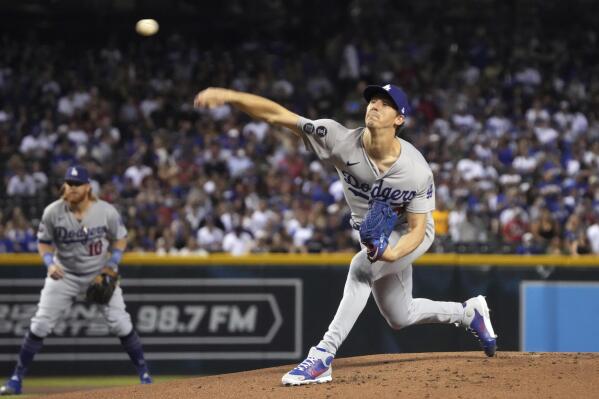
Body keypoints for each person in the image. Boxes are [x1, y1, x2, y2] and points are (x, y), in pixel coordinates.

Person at [193, 84, 497, 386]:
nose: (375, 106)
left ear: (399, 120)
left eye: (385, 104)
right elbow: (277, 116)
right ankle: (468, 312)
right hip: (375, 235)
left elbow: (418, 228)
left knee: (361, 268)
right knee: (400, 315)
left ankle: (323, 355)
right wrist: (231, 96)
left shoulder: (416, 170)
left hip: (407, 233)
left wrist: (391, 253)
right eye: (373, 100)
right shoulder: (337, 138)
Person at [0, 166, 152, 396]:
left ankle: (145, 376)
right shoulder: (52, 212)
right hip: (65, 275)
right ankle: (15, 379)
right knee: (40, 323)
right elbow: (43, 242)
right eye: (68, 184)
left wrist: (113, 264)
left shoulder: (105, 211)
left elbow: (120, 239)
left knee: (121, 323)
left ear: (87, 187)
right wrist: (49, 263)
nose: (71, 188)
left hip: (99, 272)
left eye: (76, 184)